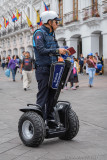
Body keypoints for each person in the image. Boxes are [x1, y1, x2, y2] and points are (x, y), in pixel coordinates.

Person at [33, 11, 69, 127]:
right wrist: (57, 51)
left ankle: (49, 119)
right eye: (56, 21)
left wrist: (60, 55)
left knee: (52, 94)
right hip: (43, 69)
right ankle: (38, 122)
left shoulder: (52, 34)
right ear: (49, 22)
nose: (57, 24)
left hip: (53, 69)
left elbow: (56, 49)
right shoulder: (39, 33)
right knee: (43, 95)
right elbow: (41, 50)